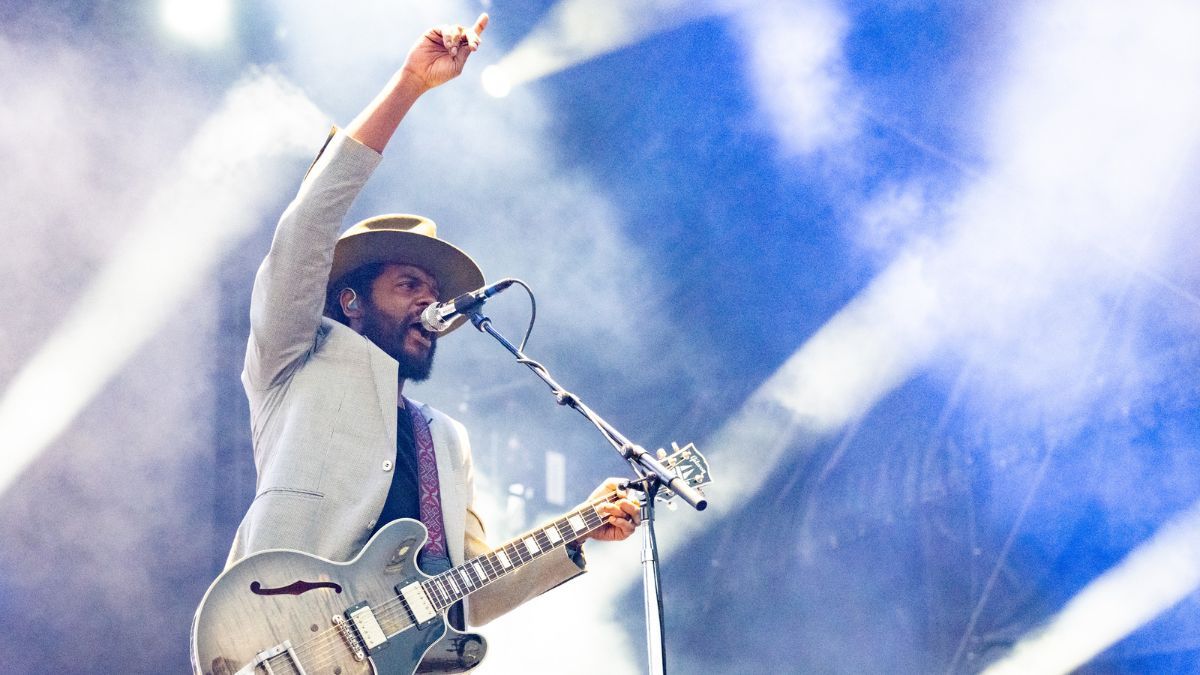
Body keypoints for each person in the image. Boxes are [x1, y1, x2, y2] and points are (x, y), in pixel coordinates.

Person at [225, 13, 641, 630]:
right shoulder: (291, 360)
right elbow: (305, 229)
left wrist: (576, 529)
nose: (429, 302)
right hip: (277, 639)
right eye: (408, 285)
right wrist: (408, 86)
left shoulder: (445, 440)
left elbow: (468, 595)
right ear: (351, 302)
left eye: (433, 290)